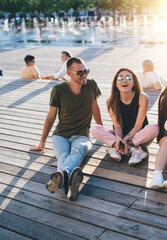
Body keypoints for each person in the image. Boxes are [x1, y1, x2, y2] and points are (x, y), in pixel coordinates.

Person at [30, 57, 102, 201]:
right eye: (80, 73)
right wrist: (42, 143)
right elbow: (51, 116)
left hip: (81, 135)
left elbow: (95, 107)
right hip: (61, 135)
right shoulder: (59, 89)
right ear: (69, 74)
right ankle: (70, 184)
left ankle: (63, 176)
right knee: (63, 155)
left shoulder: (92, 85)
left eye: (86, 71)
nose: (85, 75)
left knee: (79, 150)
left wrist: (101, 130)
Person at [91, 68, 159, 165]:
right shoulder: (110, 101)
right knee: (95, 129)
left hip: (139, 137)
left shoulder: (142, 97)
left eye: (128, 77)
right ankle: (134, 150)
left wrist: (126, 139)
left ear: (134, 83)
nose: (124, 80)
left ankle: (117, 148)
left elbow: (138, 126)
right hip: (120, 135)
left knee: (155, 128)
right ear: (116, 84)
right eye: (120, 78)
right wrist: (119, 137)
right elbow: (117, 126)